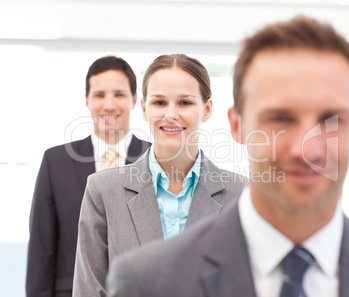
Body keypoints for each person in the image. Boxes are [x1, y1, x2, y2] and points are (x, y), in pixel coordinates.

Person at [106, 17, 349, 297]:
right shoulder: (146, 282)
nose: (307, 150)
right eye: (281, 119)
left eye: (331, 120)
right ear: (237, 125)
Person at [72, 54, 246, 297]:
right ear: (143, 108)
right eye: (159, 103)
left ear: (207, 109)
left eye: (185, 103)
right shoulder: (103, 190)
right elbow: (89, 290)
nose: (171, 114)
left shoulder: (242, 194)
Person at [26, 56, 150, 297]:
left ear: (135, 100)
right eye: (100, 95)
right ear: (87, 101)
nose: (109, 105)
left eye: (119, 94)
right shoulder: (56, 162)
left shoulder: (157, 160)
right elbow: (42, 249)